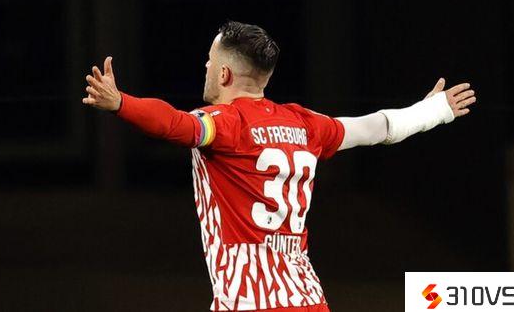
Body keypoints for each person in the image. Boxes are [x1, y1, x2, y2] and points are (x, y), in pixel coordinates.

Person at [82, 20, 476, 312]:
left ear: (224, 73)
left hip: (248, 300)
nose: (205, 66)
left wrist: (121, 103)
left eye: (210, 61)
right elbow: (377, 128)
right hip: (308, 299)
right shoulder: (304, 124)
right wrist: (431, 112)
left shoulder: (225, 123)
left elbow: (176, 125)